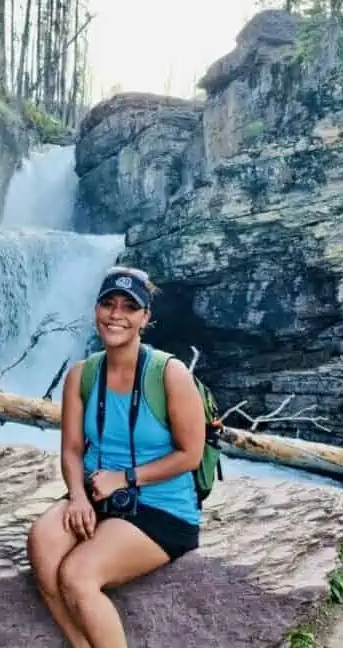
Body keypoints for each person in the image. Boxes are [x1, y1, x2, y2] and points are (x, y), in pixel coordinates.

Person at [26, 266, 206, 648]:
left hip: (161, 507)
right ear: (96, 310)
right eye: (108, 304)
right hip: (95, 496)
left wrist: (123, 479)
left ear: (146, 318)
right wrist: (77, 495)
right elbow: (72, 451)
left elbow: (191, 455)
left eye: (129, 307)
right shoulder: (82, 375)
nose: (116, 315)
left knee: (77, 575)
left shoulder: (169, 374)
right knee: (42, 547)